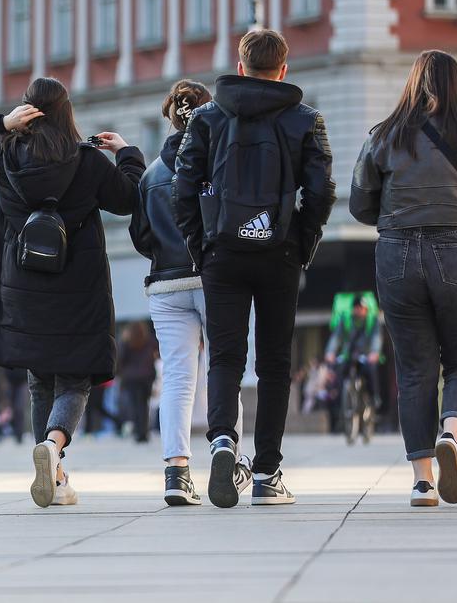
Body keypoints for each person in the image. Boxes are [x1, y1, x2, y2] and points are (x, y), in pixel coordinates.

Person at [0, 76, 145, 508]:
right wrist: (126, 154)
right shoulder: (87, 162)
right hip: (77, 290)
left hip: (21, 288)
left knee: (38, 379)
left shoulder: (4, 155)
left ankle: (55, 473)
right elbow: (129, 197)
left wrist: (3, 123)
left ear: (28, 112)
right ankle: (54, 443)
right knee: (75, 379)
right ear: (67, 113)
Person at [173, 28, 335, 509]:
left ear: (240, 67)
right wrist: (302, 240)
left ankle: (223, 442)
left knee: (224, 356)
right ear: (283, 70)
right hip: (280, 251)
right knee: (275, 363)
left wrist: (201, 244)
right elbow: (322, 190)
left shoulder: (206, 117)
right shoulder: (305, 119)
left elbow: (183, 187)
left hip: (222, 251)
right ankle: (266, 474)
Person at [349, 49, 457, 507]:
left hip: (397, 252)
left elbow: (360, 207)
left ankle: (422, 482)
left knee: (415, 368)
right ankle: (451, 433)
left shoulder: (381, 138)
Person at [130, 78, 251, 505]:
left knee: (178, 379)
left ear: (170, 116)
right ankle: (228, 456)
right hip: (215, 277)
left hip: (166, 284)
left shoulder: (150, 175)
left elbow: (141, 237)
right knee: (225, 366)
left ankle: (176, 473)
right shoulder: (218, 163)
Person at [325, 293, 383, 410]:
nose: (359, 310)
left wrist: (374, 352)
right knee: (338, 371)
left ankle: (374, 397)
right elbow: (336, 337)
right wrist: (330, 352)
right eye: (357, 308)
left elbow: (376, 338)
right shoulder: (345, 319)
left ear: (366, 309)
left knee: (371, 370)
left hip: (366, 356)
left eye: (362, 308)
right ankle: (340, 402)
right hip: (349, 355)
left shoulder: (373, 320)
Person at [117, 322, 156, 444]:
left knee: (134, 405)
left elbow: (121, 359)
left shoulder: (127, 342)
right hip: (146, 376)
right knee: (144, 405)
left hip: (131, 377)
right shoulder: (149, 341)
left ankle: (138, 432)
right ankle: (144, 432)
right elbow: (155, 355)